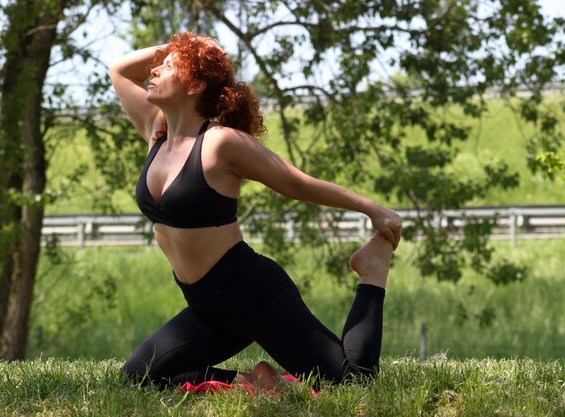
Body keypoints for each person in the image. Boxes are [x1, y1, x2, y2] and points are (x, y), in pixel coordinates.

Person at [109, 32, 402, 390]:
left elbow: (295, 182)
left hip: (251, 294)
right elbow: (119, 70)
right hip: (205, 307)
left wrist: (370, 208)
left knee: (353, 381)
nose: (154, 70)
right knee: (137, 378)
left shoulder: (221, 143)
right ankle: (260, 385)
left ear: (195, 84)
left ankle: (373, 270)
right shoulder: (156, 131)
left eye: (167, 67)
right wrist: (182, 47)